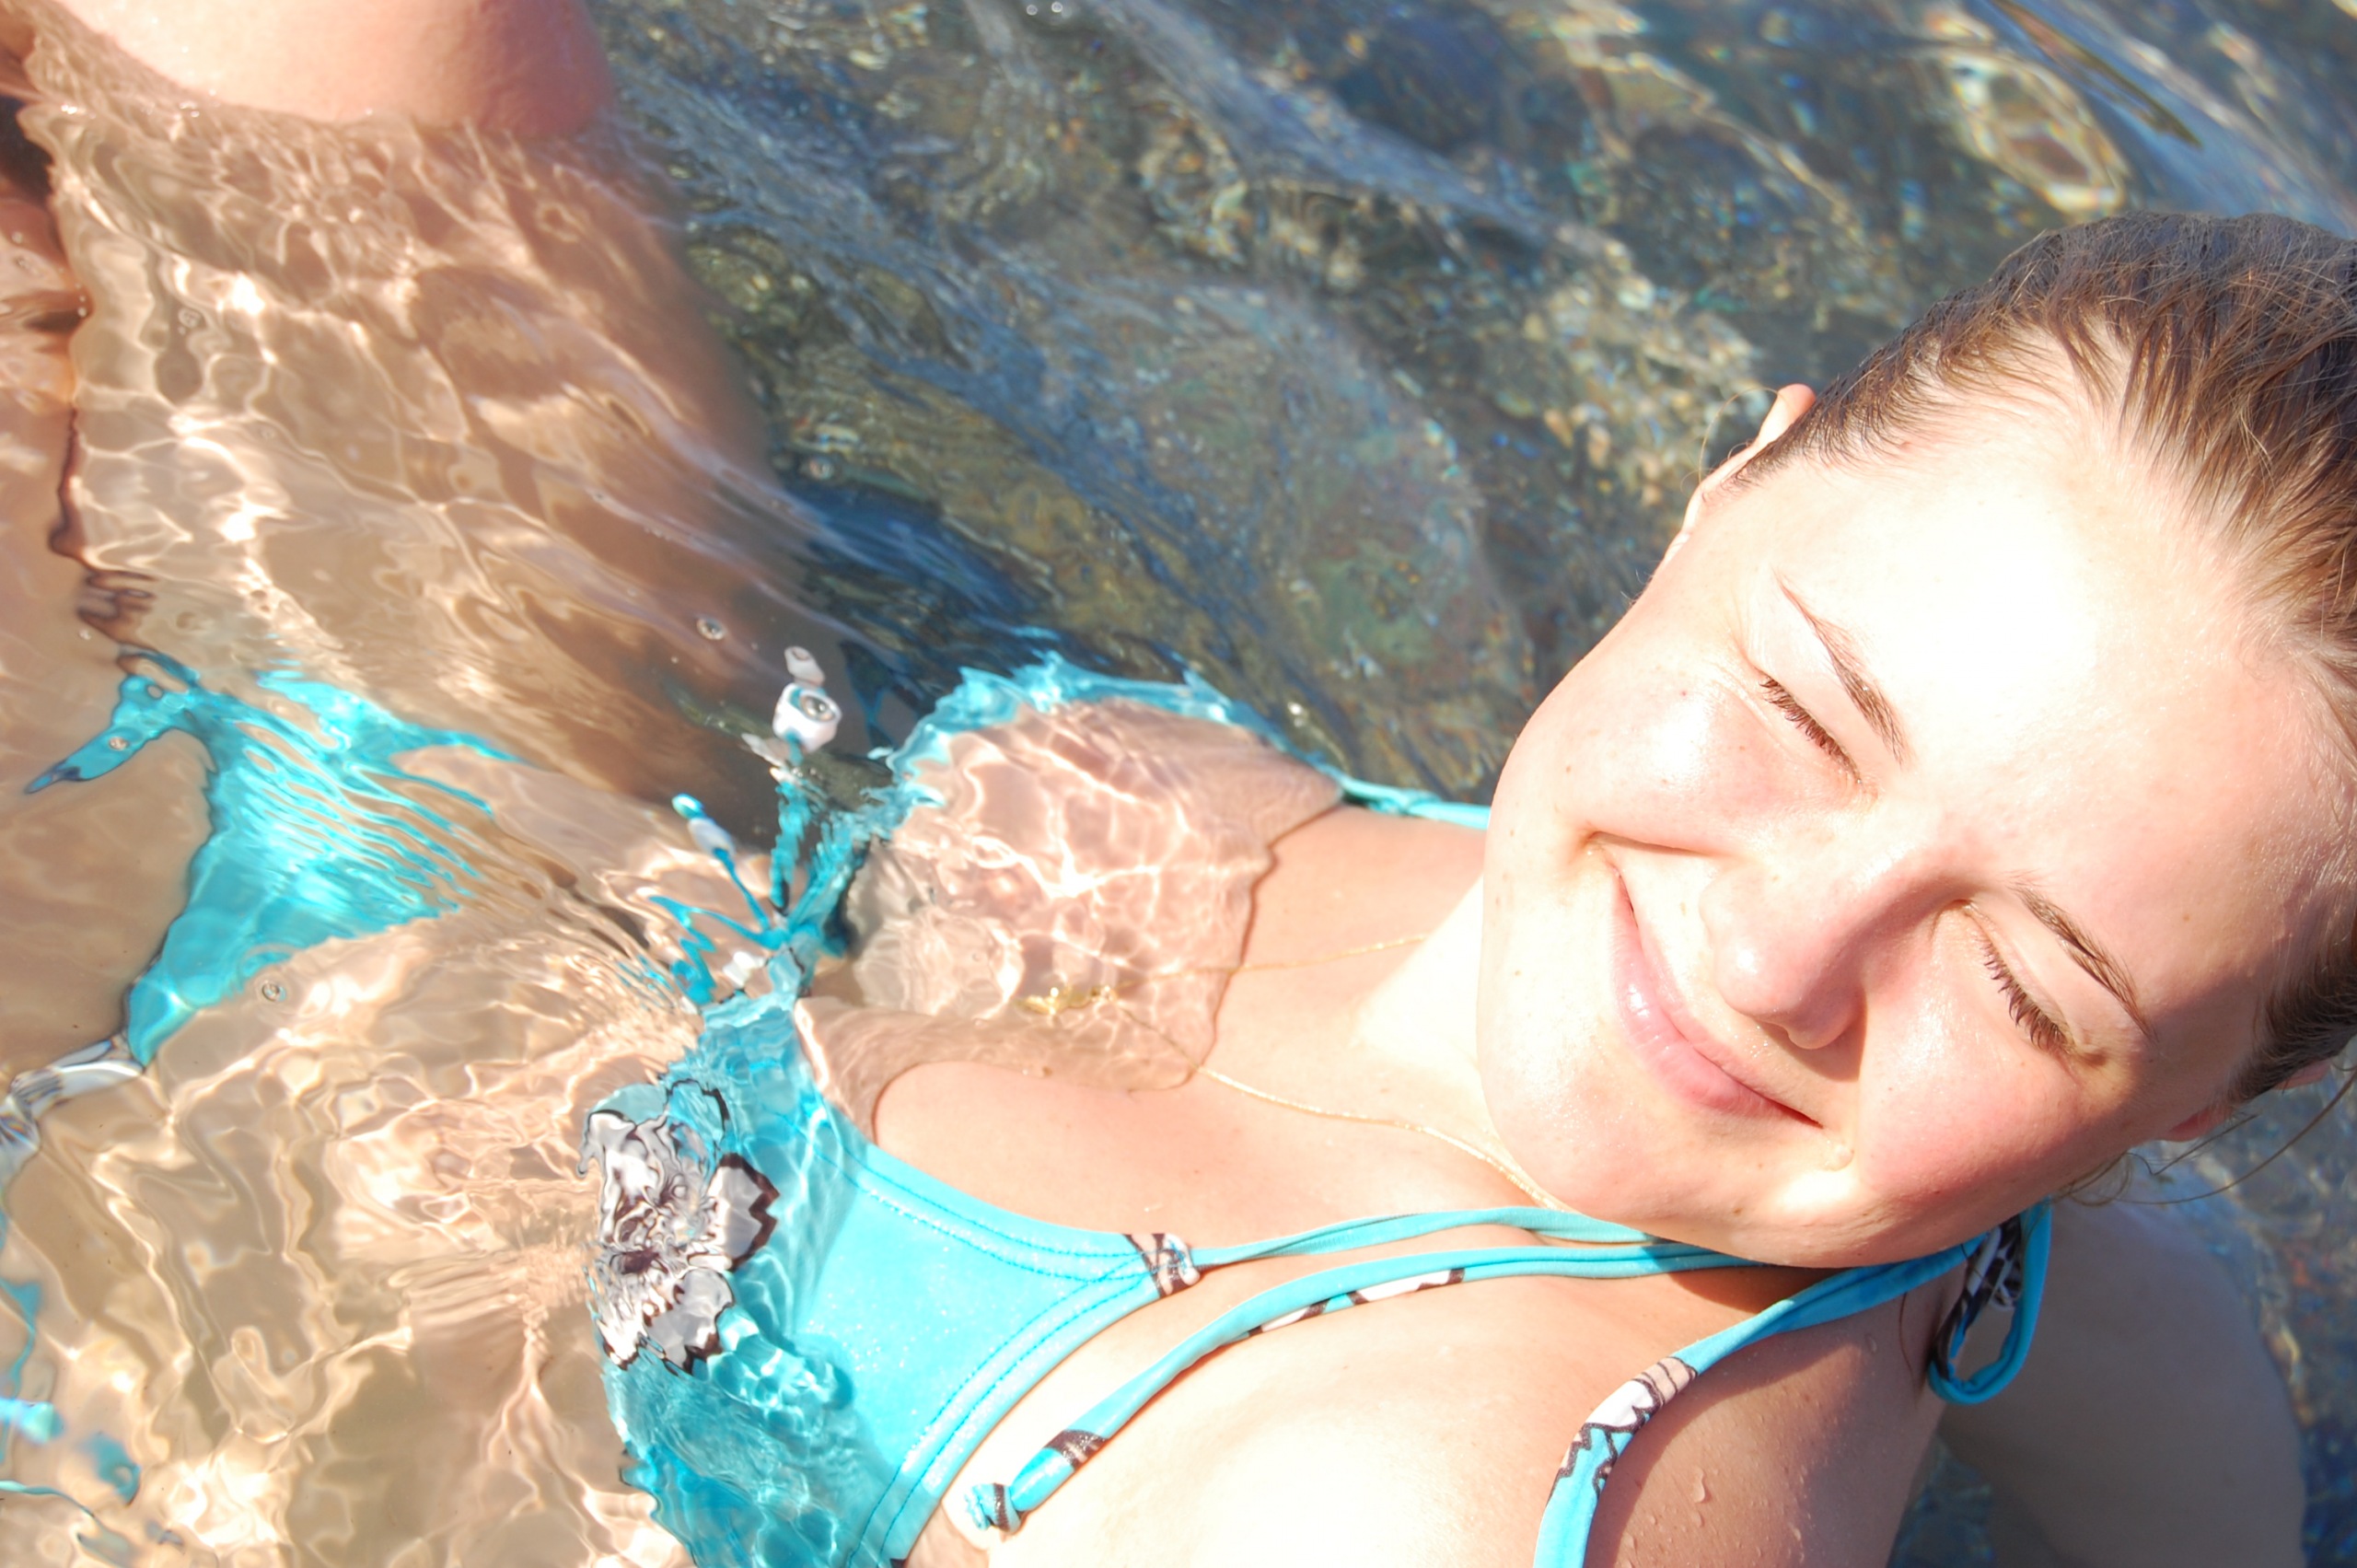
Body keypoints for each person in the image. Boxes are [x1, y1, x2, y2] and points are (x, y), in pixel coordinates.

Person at [5, 2, 2319, 1566]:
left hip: (237, 1334)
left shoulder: (1423, 1506)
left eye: (2023, 985)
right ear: (1736, 477)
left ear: (2196, 1093)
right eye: (1806, 710)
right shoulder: (2072, 1271)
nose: (1775, 950)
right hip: (548, 891)